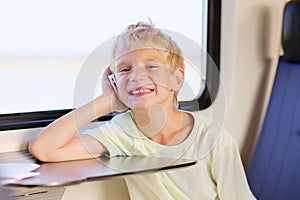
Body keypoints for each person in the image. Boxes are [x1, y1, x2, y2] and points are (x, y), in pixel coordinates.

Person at [28, 22, 256, 200]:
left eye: (152, 66)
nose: (137, 76)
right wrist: (106, 102)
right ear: (115, 82)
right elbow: (45, 149)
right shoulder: (121, 132)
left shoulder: (213, 139)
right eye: (125, 69)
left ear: (177, 79)